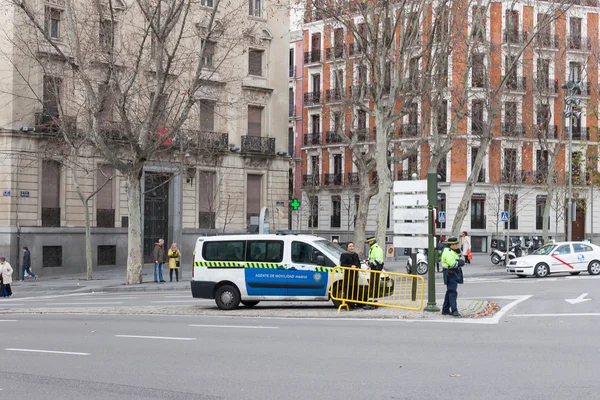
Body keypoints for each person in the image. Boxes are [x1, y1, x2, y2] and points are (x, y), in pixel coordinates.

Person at [441, 237, 464, 317]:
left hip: (452, 273)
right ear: (452, 245)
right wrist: (460, 263)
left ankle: (445, 310)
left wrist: (459, 254)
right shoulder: (448, 252)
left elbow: (461, 258)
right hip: (450, 273)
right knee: (452, 292)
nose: (457, 245)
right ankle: (454, 310)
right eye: (455, 244)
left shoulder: (453, 251)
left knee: (449, 292)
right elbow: (452, 263)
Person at [339, 241, 362, 308]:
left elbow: (358, 263)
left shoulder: (356, 255)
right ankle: (348, 304)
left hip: (355, 275)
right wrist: (350, 266)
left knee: (354, 289)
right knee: (348, 290)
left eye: (352, 246)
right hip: (348, 275)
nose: (351, 248)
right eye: (350, 246)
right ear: (347, 248)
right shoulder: (344, 255)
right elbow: (342, 264)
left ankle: (353, 304)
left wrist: (357, 267)